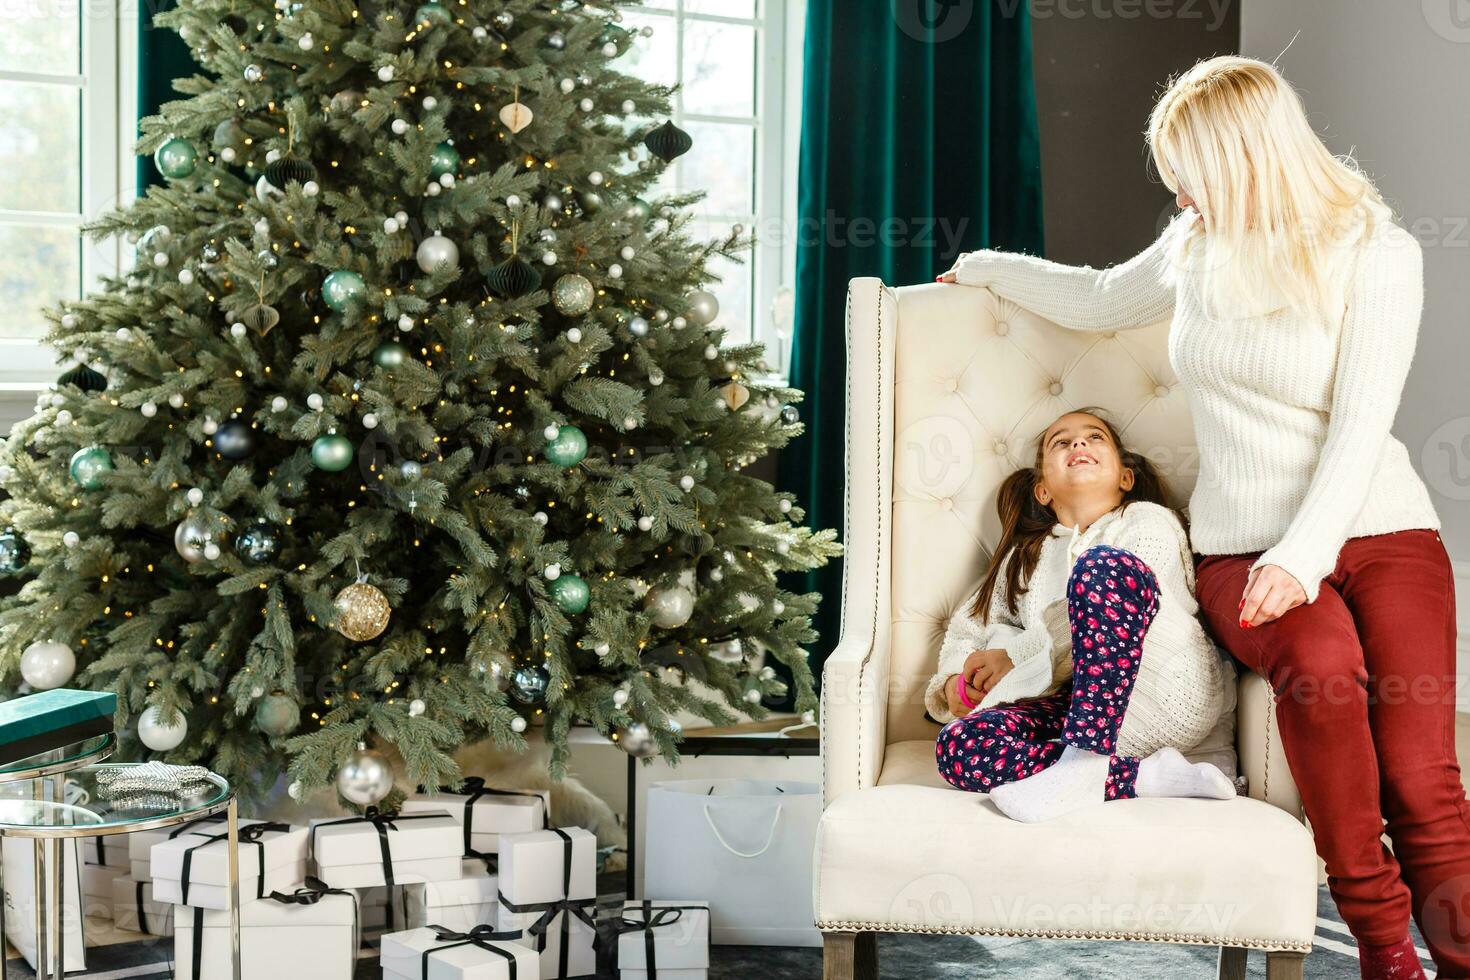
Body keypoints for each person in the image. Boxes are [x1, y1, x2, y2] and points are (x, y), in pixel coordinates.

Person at [940, 54, 1468, 980]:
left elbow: (1361, 425)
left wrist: (1303, 556)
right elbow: (1102, 297)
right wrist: (983, 267)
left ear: (1243, 155)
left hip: (1379, 530)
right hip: (1237, 546)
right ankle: (1386, 949)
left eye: (1189, 167)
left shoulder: (1378, 249)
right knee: (1323, 673)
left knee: (1423, 771)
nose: (1178, 190)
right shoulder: (1196, 244)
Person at [928, 409, 1235, 823]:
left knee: (1101, 568)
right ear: (1042, 491)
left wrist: (1015, 656)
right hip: (1070, 712)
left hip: (1160, 690)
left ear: (1125, 478)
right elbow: (969, 630)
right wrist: (952, 685)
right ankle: (1138, 776)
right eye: (1061, 442)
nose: (1078, 444)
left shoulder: (1147, 521)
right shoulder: (1024, 559)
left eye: (1095, 438)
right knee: (958, 747)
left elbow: (1115, 598)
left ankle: (1087, 759)